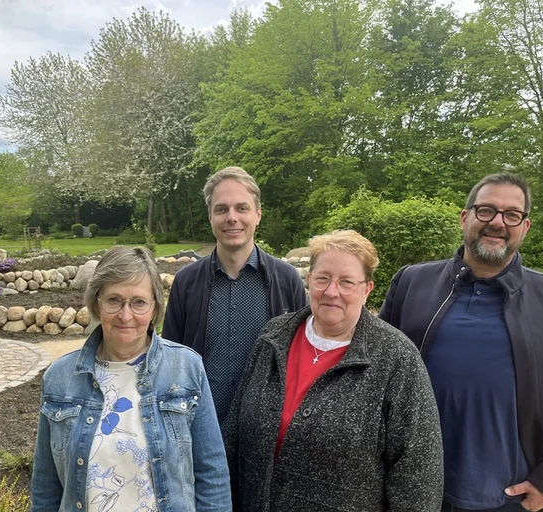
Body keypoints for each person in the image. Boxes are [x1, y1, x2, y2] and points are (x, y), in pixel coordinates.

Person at [379, 172, 543, 512]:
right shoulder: (412, 283)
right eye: (486, 210)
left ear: (525, 226)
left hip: (517, 499)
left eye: (511, 215)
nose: (497, 222)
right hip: (420, 491)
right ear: (465, 218)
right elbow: (377, 374)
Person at [223, 229, 444, 511]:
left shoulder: (396, 357)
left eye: (347, 282)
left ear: (367, 290)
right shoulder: (273, 336)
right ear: (309, 280)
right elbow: (234, 437)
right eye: (322, 278)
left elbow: (418, 477)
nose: (331, 291)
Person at [31, 246, 231, 512]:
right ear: (97, 303)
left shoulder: (186, 369)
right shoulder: (60, 377)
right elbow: (46, 487)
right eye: (114, 300)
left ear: (154, 307)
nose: (126, 316)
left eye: (138, 302)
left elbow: (212, 474)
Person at [162, 166, 307, 423]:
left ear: (258, 215)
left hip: (265, 433)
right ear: (210, 217)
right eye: (221, 209)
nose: (232, 217)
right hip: (201, 431)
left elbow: (301, 362)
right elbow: (170, 362)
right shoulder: (185, 283)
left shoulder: (287, 281)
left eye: (242, 208)